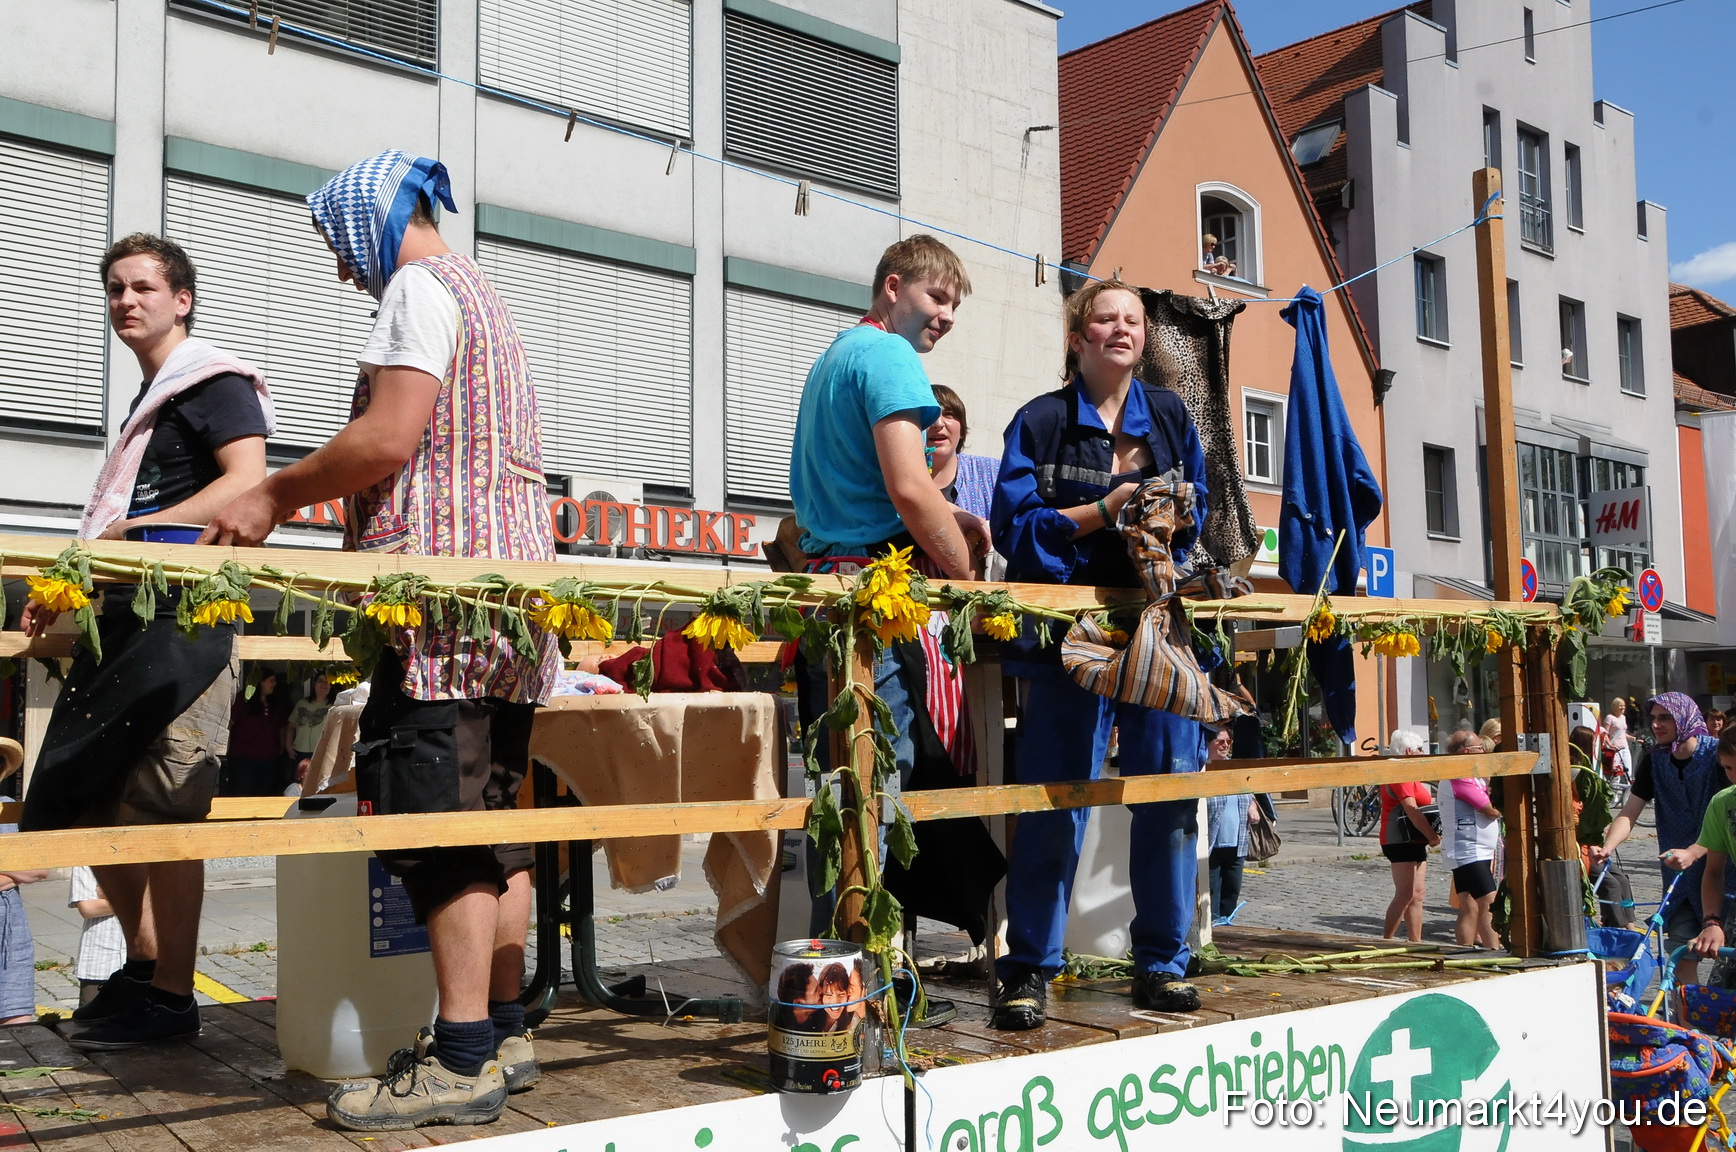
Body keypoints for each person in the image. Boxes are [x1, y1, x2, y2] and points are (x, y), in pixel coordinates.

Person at [202, 150, 560, 1130]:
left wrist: (272, 491)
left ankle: (462, 1059)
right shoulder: (479, 292)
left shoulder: (417, 287)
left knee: (436, 821)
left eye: (335, 242)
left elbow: (389, 438)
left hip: (441, 608)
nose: (338, 267)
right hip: (505, 604)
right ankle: (503, 1032)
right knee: (492, 822)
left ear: (371, 217)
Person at [21, 233, 269, 1050]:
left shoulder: (213, 380)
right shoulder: (151, 397)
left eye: (143, 288)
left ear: (182, 299)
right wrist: (72, 588)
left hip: (185, 626)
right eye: (115, 289)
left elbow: (248, 482)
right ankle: (144, 971)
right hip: (128, 625)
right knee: (99, 805)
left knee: (166, 812)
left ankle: (169, 999)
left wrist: (138, 529)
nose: (127, 301)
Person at [989, 277, 1212, 1027]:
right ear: (1078, 336)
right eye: (1105, 317)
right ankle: (1028, 969)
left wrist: (1169, 521)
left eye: (1133, 319)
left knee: (1169, 792)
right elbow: (1015, 530)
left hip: (1157, 625)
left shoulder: (1174, 418)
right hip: (1070, 632)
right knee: (1058, 798)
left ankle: (1162, 962)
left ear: (1144, 336)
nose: (1121, 328)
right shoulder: (1041, 422)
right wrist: (1104, 510)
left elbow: (1202, 510)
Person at [1597, 692, 1727, 986]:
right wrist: (1608, 847)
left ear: (1685, 717)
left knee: (1726, 958)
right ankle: (1685, 1028)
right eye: (1653, 718)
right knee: (1681, 953)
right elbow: (1630, 812)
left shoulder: (1719, 756)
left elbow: (1724, 822)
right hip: (1678, 874)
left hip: (1722, 871)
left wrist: (1695, 851)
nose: (1656, 725)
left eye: (1665, 717)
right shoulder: (1654, 761)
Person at [1679, 729, 1736, 984]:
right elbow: (1713, 871)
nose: (1735, 777)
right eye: (1728, 768)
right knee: (1723, 1009)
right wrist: (1711, 922)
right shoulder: (1723, 804)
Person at [1437, 730, 1501, 948]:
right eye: (1479, 747)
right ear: (1467, 751)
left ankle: (1464, 950)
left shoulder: (1469, 774)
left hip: (1476, 849)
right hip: (1468, 850)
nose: (1483, 751)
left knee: (1469, 906)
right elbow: (1490, 809)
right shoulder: (1459, 775)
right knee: (1489, 903)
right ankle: (1494, 950)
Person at [0, 739, 46, 1025]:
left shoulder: (9, 809)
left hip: (9, 930)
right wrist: (13, 868)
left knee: (18, 1017)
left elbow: (39, 870)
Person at [1379, 730, 1441, 942]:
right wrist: (1432, 835)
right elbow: (1412, 810)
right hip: (1399, 840)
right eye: (1420, 750)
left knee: (1417, 894)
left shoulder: (1411, 774)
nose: (1423, 754)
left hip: (1414, 839)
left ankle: (1416, 942)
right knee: (1405, 894)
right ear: (1408, 752)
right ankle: (1386, 939)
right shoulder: (1401, 774)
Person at [1203, 727, 1261, 923]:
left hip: (1238, 843)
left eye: (1228, 741)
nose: (1226, 745)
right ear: (1209, 743)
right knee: (1211, 893)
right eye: (1221, 741)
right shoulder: (1203, 769)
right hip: (1212, 843)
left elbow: (1247, 791)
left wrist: (1252, 804)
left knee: (1232, 890)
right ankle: (1212, 930)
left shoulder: (1236, 769)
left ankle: (1227, 929)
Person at [927, 384, 998, 525]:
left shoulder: (993, 472)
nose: (938, 424)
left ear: (962, 430)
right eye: (928, 415)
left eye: (948, 414)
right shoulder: (892, 479)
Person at [68, 867, 126, 1008]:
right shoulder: (87, 857)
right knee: (91, 1024)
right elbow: (89, 908)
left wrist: (108, 892)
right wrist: (142, 898)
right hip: (99, 963)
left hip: (146, 966)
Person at [224, 670, 287, 796]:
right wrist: (225, 750)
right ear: (260, 682)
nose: (274, 684)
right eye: (271, 680)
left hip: (269, 759)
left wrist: (282, 748)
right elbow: (228, 725)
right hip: (243, 759)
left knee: (264, 795)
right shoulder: (242, 700)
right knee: (243, 794)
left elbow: (282, 727)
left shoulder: (275, 703)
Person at [287, 672, 334, 769]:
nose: (324, 685)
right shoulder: (302, 703)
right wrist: (288, 745)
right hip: (299, 751)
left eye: (327, 682)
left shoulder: (334, 707)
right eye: (320, 681)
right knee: (300, 781)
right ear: (314, 684)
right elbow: (291, 726)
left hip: (321, 753)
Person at [1603, 696, 1633, 784]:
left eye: (1624, 705)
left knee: (1628, 774)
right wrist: (1610, 745)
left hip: (1625, 748)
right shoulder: (1609, 718)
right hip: (1615, 750)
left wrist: (1634, 738)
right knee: (1616, 775)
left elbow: (1623, 733)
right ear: (1615, 706)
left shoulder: (1623, 717)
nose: (1623, 707)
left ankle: (1627, 797)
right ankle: (1614, 797)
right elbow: (1605, 734)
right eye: (1620, 705)